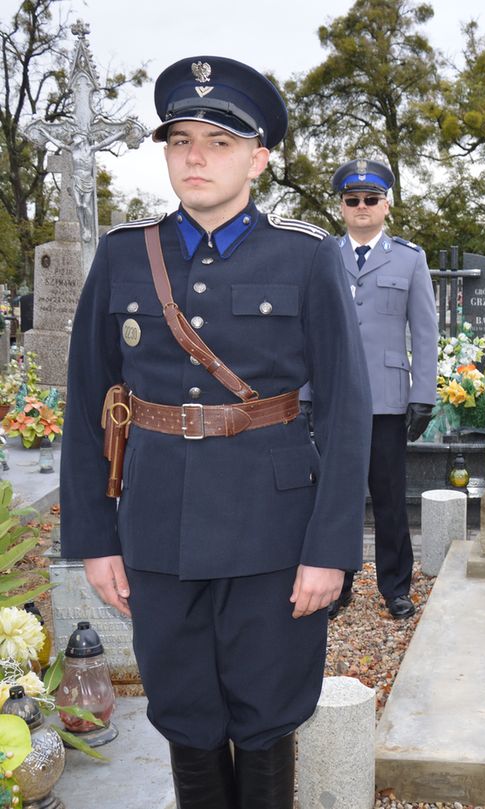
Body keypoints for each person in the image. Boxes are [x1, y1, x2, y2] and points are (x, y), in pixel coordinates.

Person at [59, 56, 372, 809]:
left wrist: (329, 550)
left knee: (268, 712)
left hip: (274, 527)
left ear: (258, 160)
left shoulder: (306, 255)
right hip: (157, 523)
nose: (194, 157)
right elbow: (89, 401)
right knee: (183, 710)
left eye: (219, 142)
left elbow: (346, 410)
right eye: (180, 141)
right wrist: (95, 539)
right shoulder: (124, 253)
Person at [327, 158, 437, 620]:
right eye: (352, 199)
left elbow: (425, 332)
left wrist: (423, 395)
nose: (362, 206)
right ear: (342, 206)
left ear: (386, 205)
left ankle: (395, 587)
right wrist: (307, 395)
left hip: (387, 400)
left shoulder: (410, 259)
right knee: (336, 499)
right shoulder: (322, 255)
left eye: (371, 199)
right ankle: (337, 585)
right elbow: (307, 330)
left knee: (390, 499)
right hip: (335, 397)